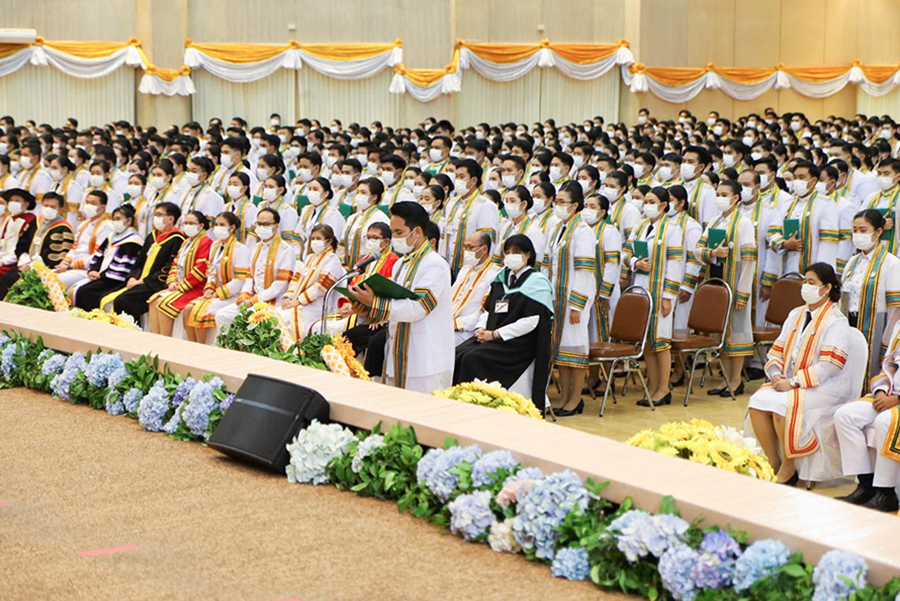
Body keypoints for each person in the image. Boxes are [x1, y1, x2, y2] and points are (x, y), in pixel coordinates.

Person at [747, 263, 851, 485]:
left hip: (825, 387)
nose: (806, 287)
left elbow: (828, 367)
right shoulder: (796, 314)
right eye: (804, 281)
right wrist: (775, 374)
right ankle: (774, 461)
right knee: (757, 402)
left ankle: (789, 464)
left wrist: (793, 382)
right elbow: (777, 350)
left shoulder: (836, 321)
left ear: (827, 288)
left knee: (781, 407)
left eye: (812, 283)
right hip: (790, 381)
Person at [348, 201, 453, 393]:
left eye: (398, 233)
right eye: (393, 232)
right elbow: (393, 306)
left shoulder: (435, 264)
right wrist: (366, 308)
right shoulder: (401, 264)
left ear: (417, 232)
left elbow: (418, 309)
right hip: (396, 351)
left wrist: (375, 302)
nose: (394, 238)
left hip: (425, 359)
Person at [454, 234, 554, 410]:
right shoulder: (501, 279)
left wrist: (496, 334)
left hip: (518, 343)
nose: (511, 256)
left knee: (473, 358)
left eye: (516, 252)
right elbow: (488, 309)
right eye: (507, 252)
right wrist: (481, 329)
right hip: (492, 335)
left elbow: (532, 321)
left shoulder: (538, 283)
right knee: (459, 353)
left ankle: (479, 404)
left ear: (528, 255)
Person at [622, 186, 683, 407]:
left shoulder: (672, 229)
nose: (645, 205)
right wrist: (634, 263)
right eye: (644, 201)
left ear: (663, 205)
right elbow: (625, 253)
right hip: (641, 289)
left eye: (650, 201)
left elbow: (676, 264)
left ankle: (664, 388)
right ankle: (653, 385)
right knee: (647, 341)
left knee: (661, 341)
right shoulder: (640, 227)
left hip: (661, 292)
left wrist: (668, 296)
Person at [695, 181, 757, 395]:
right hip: (717, 281)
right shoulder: (714, 220)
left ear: (736, 198)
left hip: (736, 279)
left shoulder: (744, 223)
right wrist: (712, 254)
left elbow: (749, 260)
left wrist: (743, 293)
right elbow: (698, 249)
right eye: (717, 194)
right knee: (721, 332)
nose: (719, 198)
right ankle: (724, 378)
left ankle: (735, 379)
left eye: (724, 194)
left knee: (736, 331)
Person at [833, 319, 900, 512]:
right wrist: (881, 390)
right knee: (845, 415)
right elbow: (888, 365)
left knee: (884, 422)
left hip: (897, 400)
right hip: (888, 394)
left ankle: (886, 494)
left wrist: (897, 399)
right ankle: (866, 484)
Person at [544, 181, 597, 415]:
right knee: (561, 350)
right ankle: (564, 396)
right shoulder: (558, 229)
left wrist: (576, 305)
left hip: (575, 299)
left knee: (574, 348)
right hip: (557, 297)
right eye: (556, 201)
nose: (558, 205)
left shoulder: (584, 232)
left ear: (575, 205)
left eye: (562, 202)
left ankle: (576, 399)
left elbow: (585, 271)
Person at [841, 209, 900, 376]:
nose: (858, 235)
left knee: (868, 372)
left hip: (876, 326)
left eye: (863, 230)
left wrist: (886, 343)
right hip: (850, 323)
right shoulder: (852, 262)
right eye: (854, 230)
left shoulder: (891, 263)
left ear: (878, 231)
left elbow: (895, 310)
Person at [104, 202, 186, 321]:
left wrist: (143, 281)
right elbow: (140, 260)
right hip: (139, 281)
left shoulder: (177, 239)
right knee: (105, 296)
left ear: (171, 219)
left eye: (159, 215)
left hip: (154, 284)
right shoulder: (152, 236)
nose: (155, 218)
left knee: (123, 300)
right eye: (155, 215)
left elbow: (168, 268)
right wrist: (132, 277)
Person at [215, 208, 295, 329]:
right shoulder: (256, 247)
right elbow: (249, 276)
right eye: (259, 224)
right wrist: (245, 296)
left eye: (266, 224)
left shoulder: (286, 250)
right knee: (222, 315)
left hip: (272, 301)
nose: (261, 227)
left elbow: (280, 285)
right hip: (252, 298)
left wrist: (254, 300)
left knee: (250, 320)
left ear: (276, 227)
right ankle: (227, 348)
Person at [184, 211, 251, 344]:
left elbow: (239, 281)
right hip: (215, 292)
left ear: (232, 228)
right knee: (187, 309)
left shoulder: (240, 249)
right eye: (216, 224)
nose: (217, 227)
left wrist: (217, 293)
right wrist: (209, 288)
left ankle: (201, 346)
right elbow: (211, 271)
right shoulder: (215, 246)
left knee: (198, 311)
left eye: (222, 225)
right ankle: (191, 344)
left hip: (231, 295)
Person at [765, 161, 838, 280]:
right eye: (795, 177)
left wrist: (821, 275)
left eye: (802, 177)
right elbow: (771, 232)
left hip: (813, 267)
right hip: (787, 268)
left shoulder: (825, 204)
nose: (797, 181)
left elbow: (827, 243)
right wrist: (785, 244)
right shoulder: (788, 203)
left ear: (813, 181)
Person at [147, 211, 213, 336]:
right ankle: (155, 336)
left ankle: (165, 339)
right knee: (153, 301)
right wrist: (172, 281)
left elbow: (200, 269)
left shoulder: (206, 242)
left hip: (194, 287)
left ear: (201, 226)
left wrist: (182, 287)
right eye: (186, 223)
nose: (187, 225)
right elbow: (175, 263)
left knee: (163, 305)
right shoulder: (186, 242)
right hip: (179, 285)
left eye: (191, 223)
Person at [278, 224, 345, 342]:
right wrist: (288, 298)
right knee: (273, 315)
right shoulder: (310, 258)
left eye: (318, 239)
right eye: (312, 239)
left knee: (280, 320)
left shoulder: (333, 260)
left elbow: (320, 288)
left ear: (328, 241)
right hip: (299, 303)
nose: (314, 242)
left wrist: (298, 301)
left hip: (316, 306)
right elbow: (296, 279)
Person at [0, 192, 73, 298]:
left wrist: (33, 266)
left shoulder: (63, 228)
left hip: (45, 268)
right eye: (46, 205)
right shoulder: (36, 221)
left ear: (60, 209)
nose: (48, 209)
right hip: (25, 263)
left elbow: (56, 256)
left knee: (17, 282)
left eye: (52, 207)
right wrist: (24, 261)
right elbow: (22, 244)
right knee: (7, 278)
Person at [70, 205, 144, 310]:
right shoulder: (112, 236)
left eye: (118, 219)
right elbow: (99, 255)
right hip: (103, 277)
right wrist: (93, 269)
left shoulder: (133, 241)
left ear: (128, 221)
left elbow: (122, 268)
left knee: (85, 292)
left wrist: (101, 275)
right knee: (77, 290)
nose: (114, 222)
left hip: (115, 280)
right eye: (113, 219)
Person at [443, 159, 499, 275]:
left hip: (472, 267)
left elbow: (488, 242)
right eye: (456, 176)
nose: (457, 180)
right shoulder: (451, 203)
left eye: (462, 176)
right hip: (449, 266)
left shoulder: (485, 206)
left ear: (473, 180)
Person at [582, 193, 621, 345]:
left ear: (602, 212)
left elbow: (612, 264)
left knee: (601, 334)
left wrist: (604, 292)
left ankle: (604, 368)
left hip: (604, 291)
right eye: (586, 206)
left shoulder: (609, 231)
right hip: (587, 290)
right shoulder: (583, 229)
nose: (587, 210)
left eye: (592, 207)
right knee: (588, 336)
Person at [55, 190, 114, 290]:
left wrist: (71, 266)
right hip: (71, 266)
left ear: (102, 208)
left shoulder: (106, 227)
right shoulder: (83, 224)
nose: (88, 206)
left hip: (86, 269)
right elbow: (74, 248)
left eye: (93, 203)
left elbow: (96, 256)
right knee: (43, 276)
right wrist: (64, 263)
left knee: (55, 280)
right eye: (87, 202)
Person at [450, 232, 499, 345]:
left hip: (468, 330)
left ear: (484, 249)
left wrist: (455, 324)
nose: (466, 251)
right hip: (449, 322)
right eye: (465, 247)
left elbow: (483, 311)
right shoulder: (465, 270)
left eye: (470, 247)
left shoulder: (494, 274)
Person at [493, 185, 545, 270]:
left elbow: (535, 262)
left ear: (523, 204)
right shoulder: (505, 227)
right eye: (507, 201)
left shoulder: (533, 231)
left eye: (512, 201)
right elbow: (498, 256)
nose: (508, 204)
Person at [341, 177, 390, 267]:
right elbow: (342, 243)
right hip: (348, 265)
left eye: (363, 193)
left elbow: (382, 248)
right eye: (357, 192)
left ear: (374, 197)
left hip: (367, 265)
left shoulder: (381, 218)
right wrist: (343, 264)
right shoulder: (352, 218)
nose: (359, 196)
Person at [296, 176, 345, 257]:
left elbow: (333, 241)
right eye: (310, 189)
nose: (311, 192)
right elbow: (299, 235)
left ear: (326, 193)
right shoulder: (306, 210)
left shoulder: (332, 213)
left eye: (315, 189)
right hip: (305, 255)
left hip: (323, 257)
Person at [0, 188, 37, 281]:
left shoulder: (30, 221)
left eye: (17, 201)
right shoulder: (9, 219)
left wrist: (4, 261)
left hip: (16, 261)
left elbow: (22, 247)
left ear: (26, 204)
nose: (13, 203)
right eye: (11, 200)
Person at [175, 156, 224, 221]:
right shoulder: (186, 191)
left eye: (194, 171)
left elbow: (211, 224)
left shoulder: (212, 196)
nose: (189, 174)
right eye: (188, 170)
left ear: (204, 175)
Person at [222, 172, 258, 244]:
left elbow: (251, 235)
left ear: (244, 188)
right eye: (229, 184)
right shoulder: (226, 207)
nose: (231, 187)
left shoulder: (250, 208)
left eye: (235, 184)